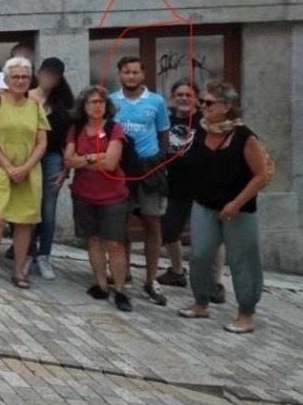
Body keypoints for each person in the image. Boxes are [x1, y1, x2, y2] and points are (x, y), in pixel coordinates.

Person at [176, 81, 273, 334]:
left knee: (243, 259)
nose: (203, 107)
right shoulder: (200, 130)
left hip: (238, 208)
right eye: (203, 102)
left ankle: (246, 313)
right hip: (204, 204)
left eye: (209, 103)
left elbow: (261, 175)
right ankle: (200, 302)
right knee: (200, 255)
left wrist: (236, 202)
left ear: (227, 106)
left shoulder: (244, 137)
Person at [0, 58, 49, 287]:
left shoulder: (34, 106)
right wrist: (8, 166)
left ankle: (18, 271)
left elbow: (42, 141)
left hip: (28, 169)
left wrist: (25, 168)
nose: (20, 81)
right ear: (6, 79)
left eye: (25, 77)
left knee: (24, 221)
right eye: (15, 77)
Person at [65, 86, 133, 312]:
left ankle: (121, 289)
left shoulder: (115, 128)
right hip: (84, 194)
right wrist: (95, 157)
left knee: (114, 243)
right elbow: (69, 160)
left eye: (102, 102)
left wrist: (83, 159)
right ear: (83, 106)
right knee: (93, 240)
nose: (98, 106)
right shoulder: (75, 130)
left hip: (113, 195)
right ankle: (101, 284)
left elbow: (112, 163)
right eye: (93, 102)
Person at [110, 57, 171, 306]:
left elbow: (164, 133)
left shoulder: (156, 101)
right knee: (121, 225)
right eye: (126, 72)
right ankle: (122, 275)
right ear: (120, 74)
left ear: (143, 74)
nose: (131, 76)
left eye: (136, 72)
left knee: (152, 224)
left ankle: (151, 278)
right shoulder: (112, 101)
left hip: (149, 169)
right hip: (122, 169)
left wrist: (160, 162)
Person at [157, 79, 225, 300]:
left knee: (210, 237)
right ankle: (177, 271)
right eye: (179, 95)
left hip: (204, 186)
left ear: (196, 98)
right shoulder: (166, 118)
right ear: (173, 97)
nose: (184, 98)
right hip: (176, 186)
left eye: (188, 95)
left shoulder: (206, 120)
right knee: (169, 231)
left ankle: (216, 283)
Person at [25, 57, 74, 279]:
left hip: (53, 157)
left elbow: (67, 140)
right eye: (46, 73)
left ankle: (44, 255)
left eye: (54, 75)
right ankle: (26, 252)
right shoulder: (25, 96)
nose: (48, 78)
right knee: (27, 207)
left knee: (48, 209)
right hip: (26, 156)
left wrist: (65, 169)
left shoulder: (63, 104)